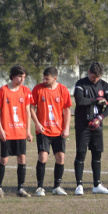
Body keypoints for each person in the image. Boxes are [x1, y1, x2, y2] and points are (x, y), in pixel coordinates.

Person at [73, 61, 108, 195]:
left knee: (97, 154)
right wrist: (96, 100)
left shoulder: (104, 85)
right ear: (89, 73)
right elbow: (80, 100)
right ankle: (79, 185)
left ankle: (97, 185)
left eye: (97, 77)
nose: (95, 79)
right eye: (93, 76)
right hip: (82, 125)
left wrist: (100, 118)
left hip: (97, 125)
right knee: (81, 153)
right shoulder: (81, 84)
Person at [30, 67, 72, 196]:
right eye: (44, 77)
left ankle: (56, 187)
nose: (44, 80)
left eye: (47, 78)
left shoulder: (63, 90)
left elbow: (67, 110)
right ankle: (40, 187)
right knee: (43, 156)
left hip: (59, 131)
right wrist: (37, 124)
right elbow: (31, 108)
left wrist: (67, 127)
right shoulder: (38, 89)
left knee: (61, 157)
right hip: (44, 130)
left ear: (55, 78)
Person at [0, 65, 33, 197]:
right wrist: (0, 129)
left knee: (22, 158)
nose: (22, 79)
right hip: (7, 132)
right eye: (19, 76)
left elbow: (28, 112)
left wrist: (28, 131)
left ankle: (20, 188)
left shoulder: (26, 91)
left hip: (21, 132)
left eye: (23, 77)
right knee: (4, 159)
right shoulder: (3, 90)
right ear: (13, 76)